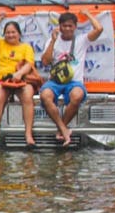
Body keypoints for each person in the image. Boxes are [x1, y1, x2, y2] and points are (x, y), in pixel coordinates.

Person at [40, 11, 103, 146]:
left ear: (75, 27)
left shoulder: (82, 40)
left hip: (74, 82)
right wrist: (53, 40)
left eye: (70, 26)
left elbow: (99, 29)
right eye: (64, 26)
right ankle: (63, 129)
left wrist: (88, 15)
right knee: (45, 95)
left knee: (77, 96)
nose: (67, 29)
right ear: (59, 26)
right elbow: (45, 61)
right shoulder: (52, 40)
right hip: (55, 81)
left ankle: (61, 128)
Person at [0, 14, 37, 148]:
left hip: (22, 79)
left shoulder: (26, 47)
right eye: (7, 32)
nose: (10, 35)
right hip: (3, 80)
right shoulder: (0, 44)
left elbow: (29, 64)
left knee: (27, 96)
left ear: (19, 34)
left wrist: (19, 74)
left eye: (13, 32)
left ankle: (28, 134)